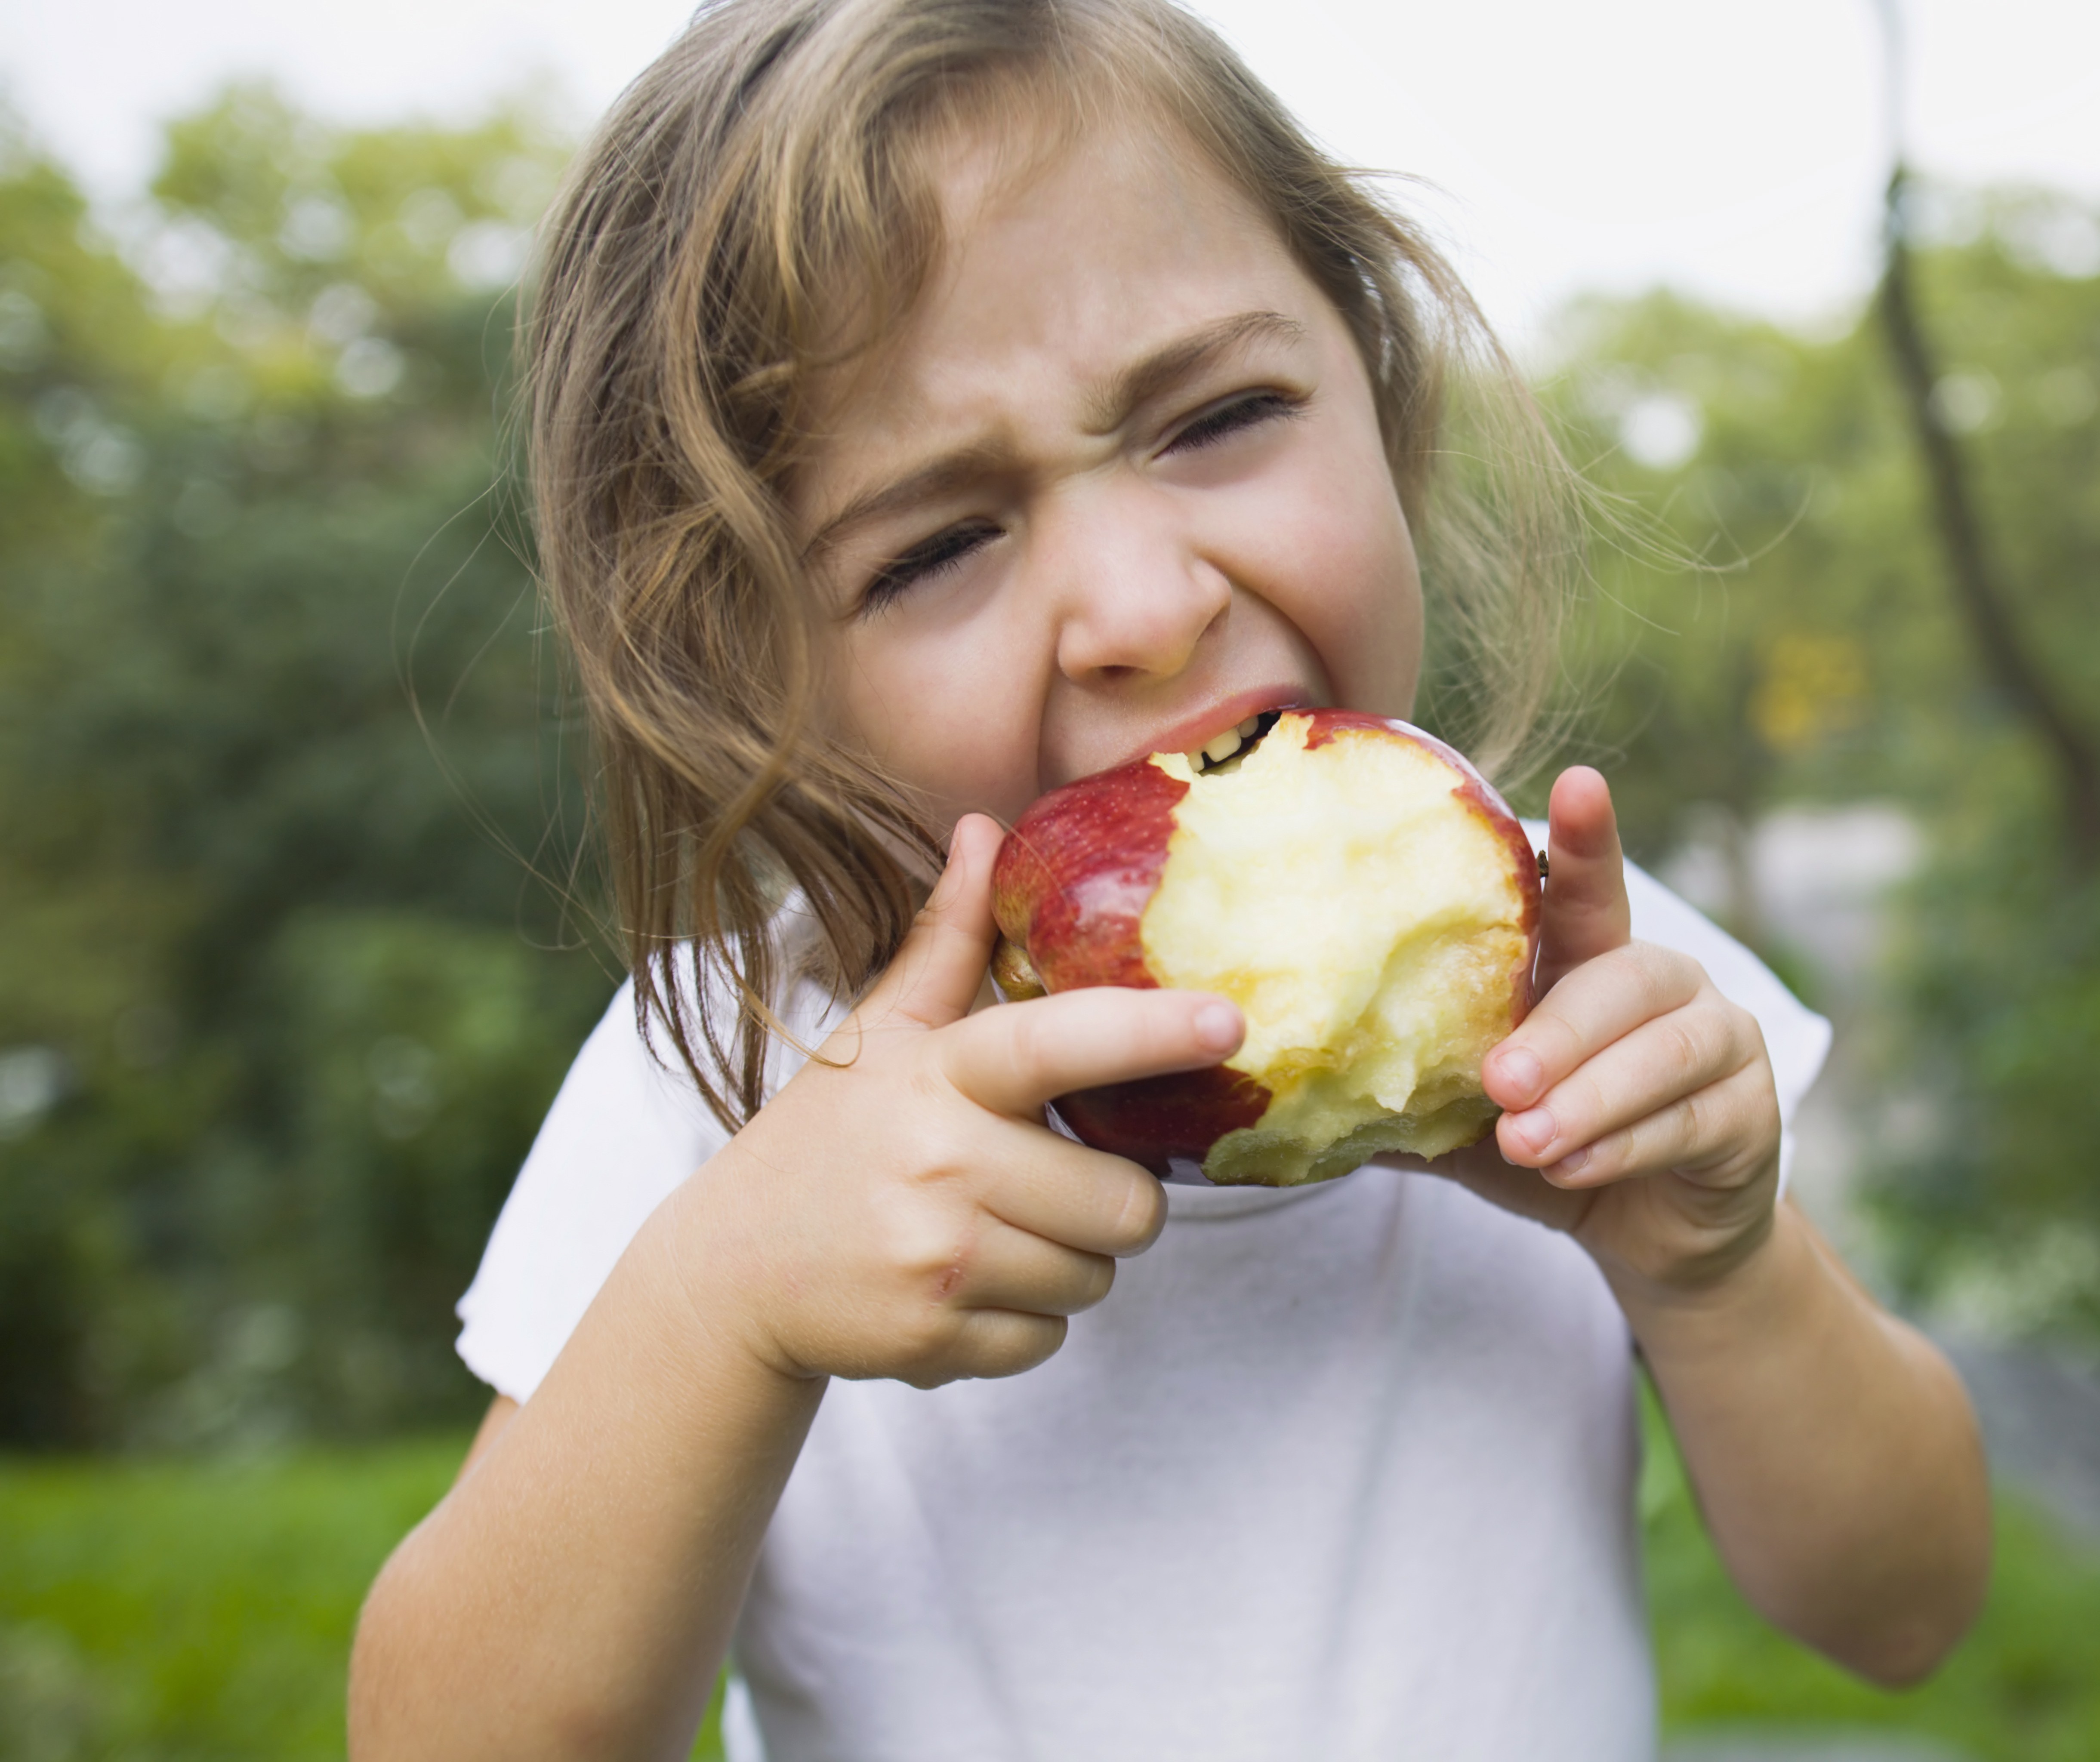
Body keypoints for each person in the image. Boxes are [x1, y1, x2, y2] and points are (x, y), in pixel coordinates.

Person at [348, 1, 1991, 1756]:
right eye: (941, 543)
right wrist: (724, 1307)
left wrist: (1716, 1269)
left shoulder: (1581, 976)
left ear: (1377, 378)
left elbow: (1901, 1605)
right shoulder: (748, 1077)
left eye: (1217, 416)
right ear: (755, 669)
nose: (1147, 609)